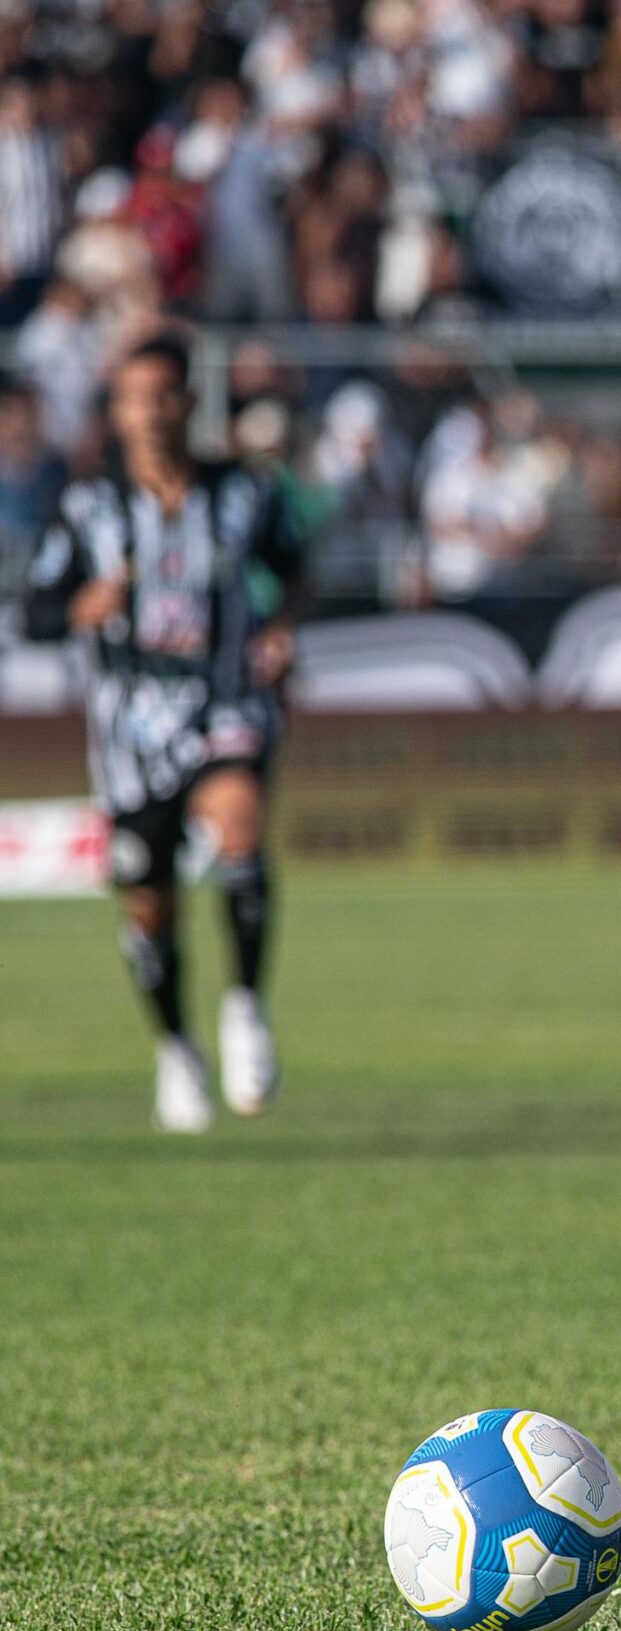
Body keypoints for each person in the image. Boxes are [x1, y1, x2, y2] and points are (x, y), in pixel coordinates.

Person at [22, 333, 302, 1132]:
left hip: (223, 704)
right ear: (116, 411)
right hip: (130, 728)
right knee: (149, 901)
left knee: (239, 823)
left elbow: (295, 564)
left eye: (159, 396)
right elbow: (39, 608)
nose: (145, 413)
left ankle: (246, 1005)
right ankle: (177, 1046)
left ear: (185, 403)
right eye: (130, 398)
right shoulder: (88, 508)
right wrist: (83, 606)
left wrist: (282, 630)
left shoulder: (243, 492)